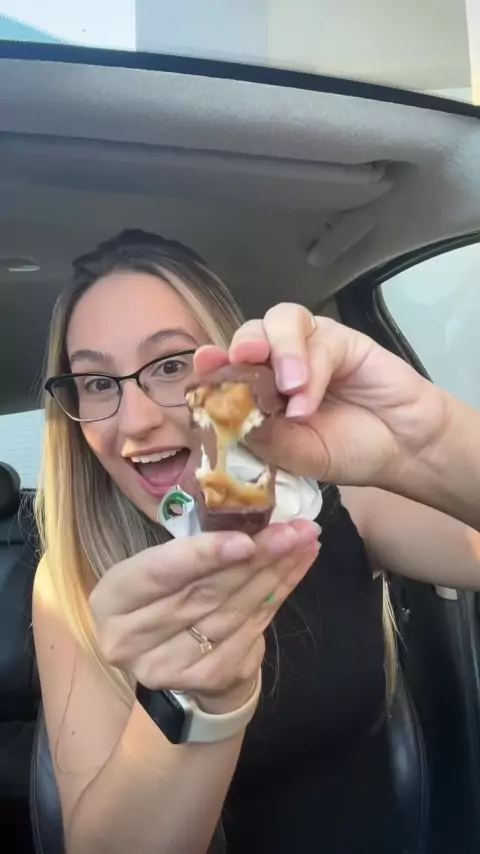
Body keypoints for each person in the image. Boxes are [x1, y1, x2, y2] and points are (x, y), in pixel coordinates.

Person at [33, 229, 480, 854]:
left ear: (235, 379)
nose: (136, 421)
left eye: (171, 366)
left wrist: (429, 448)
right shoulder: (73, 577)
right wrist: (201, 700)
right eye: (98, 382)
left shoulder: (339, 504)